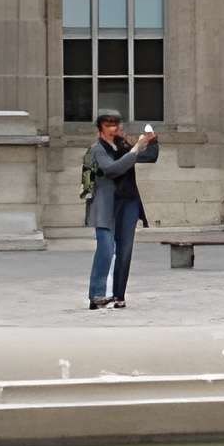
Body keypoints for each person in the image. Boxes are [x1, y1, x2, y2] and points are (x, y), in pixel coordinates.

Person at [81, 111, 158, 310]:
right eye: (109, 125)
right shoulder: (97, 149)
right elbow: (112, 169)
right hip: (105, 206)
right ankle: (96, 294)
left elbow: (150, 156)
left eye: (116, 124)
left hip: (128, 203)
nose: (115, 128)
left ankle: (118, 295)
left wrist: (151, 141)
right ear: (100, 129)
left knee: (125, 251)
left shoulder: (123, 145)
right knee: (106, 249)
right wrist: (135, 150)